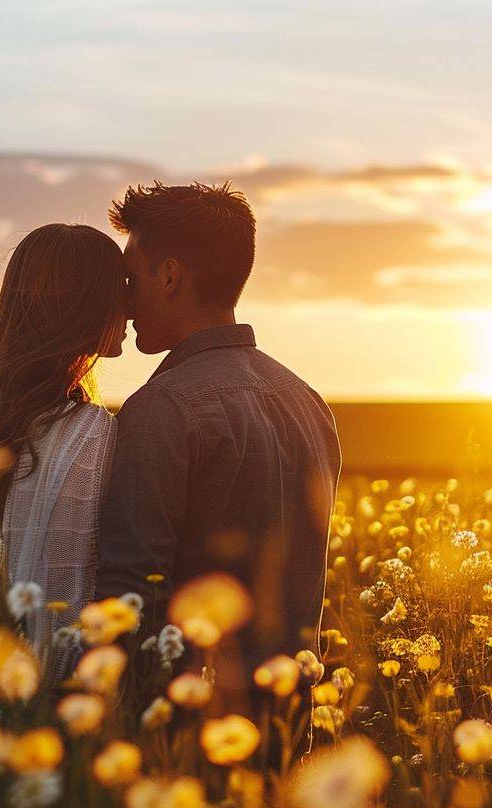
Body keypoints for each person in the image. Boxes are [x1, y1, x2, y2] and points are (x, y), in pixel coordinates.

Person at [96, 182, 342, 709]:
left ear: (168, 277)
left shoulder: (161, 409)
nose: (124, 298)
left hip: (193, 731)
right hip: (288, 718)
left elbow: (130, 595)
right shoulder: (307, 401)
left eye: (130, 277)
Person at [0, 223, 127, 681]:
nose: (130, 310)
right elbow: (70, 589)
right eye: (119, 292)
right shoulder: (88, 433)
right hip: (55, 695)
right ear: (85, 307)